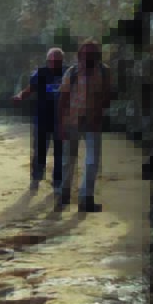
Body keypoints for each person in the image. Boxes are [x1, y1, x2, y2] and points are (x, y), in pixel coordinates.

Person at [58, 39, 112, 212]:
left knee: (92, 162)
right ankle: (63, 195)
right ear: (79, 55)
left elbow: (107, 95)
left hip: (93, 123)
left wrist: (99, 111)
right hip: (71, 121)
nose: (88, 57)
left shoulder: (104, 72)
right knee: (68, 160)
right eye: (85, 54)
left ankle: (85, 199)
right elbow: (63, 99)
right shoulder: (71, 73)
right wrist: (60, 124)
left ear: (97, 56)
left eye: (92, 54)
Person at [12, 48, 65, 191]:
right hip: (42, 118)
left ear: (62, 61)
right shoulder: (41, 73)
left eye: (57, 61)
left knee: (60, 152)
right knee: (39, 150)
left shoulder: (67, 73)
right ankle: (36, 178)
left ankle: (58, 182)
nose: (54, 64)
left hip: (61, 120)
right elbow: (30, 89)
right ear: (47, 61)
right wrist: (20, 96)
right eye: (51, 61)